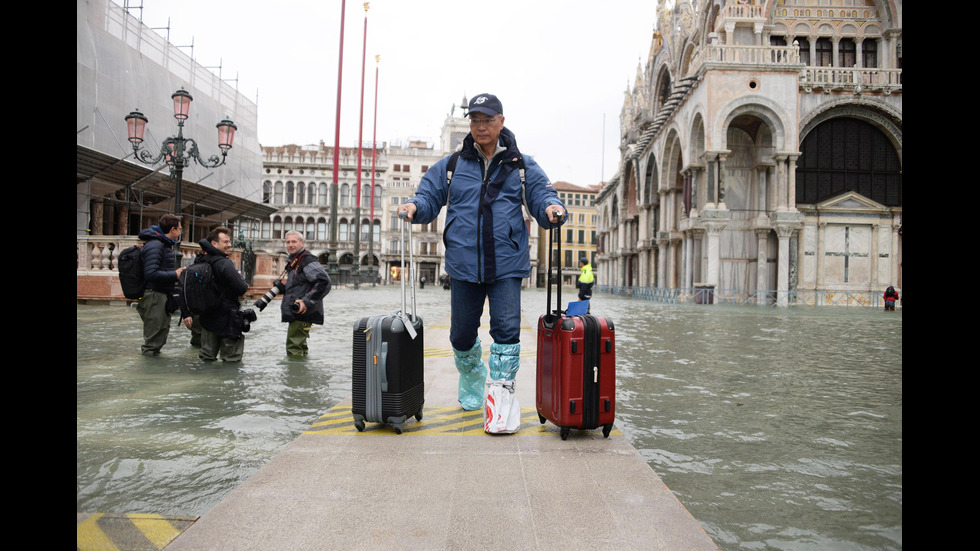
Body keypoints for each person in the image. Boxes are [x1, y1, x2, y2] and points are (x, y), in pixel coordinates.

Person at [397, 93, 566, 419]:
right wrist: (414, 207)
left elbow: (542, 193)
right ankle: (473, 376)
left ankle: (501, 394)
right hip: (463, 263)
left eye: (488, 120)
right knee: (461, 335)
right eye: (475, 120)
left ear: (501, 121)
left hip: (506, 263)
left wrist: (552, 208)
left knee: (506, 331)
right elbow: (429, 195)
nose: (481, 126)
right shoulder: (452, 165)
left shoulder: (522, 165)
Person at [191, 227, 249, 362]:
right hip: (227, 318)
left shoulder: (200, 261)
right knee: (231, 360)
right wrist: (239, 278)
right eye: (226, 242)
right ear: (214, 244)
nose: (229, 245)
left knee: (206, 358)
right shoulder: (224, 263)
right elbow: (241, 289)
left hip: (206, 318)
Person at [136, 213, 186, 355]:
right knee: (153, 340)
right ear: (173, 229)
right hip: (154, 295)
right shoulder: (156, 246)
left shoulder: (161, 244)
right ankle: (148, 374)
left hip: (159, 295)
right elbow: (151, 273)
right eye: (180, 229)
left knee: (159, 335)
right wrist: (175, 274)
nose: (180, 232)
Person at [281, 230, 332, 357]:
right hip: (298, 312)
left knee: (294, 348)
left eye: (294, 241)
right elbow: (299, 285)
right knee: (299, 347)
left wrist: (306, 301)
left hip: (302, 312)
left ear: (302, 243)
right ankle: (301, 374)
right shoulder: (296, 260)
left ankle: (295, 376)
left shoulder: (306, 260)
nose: (290, 245)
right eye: (288, 242)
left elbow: (324, 282)